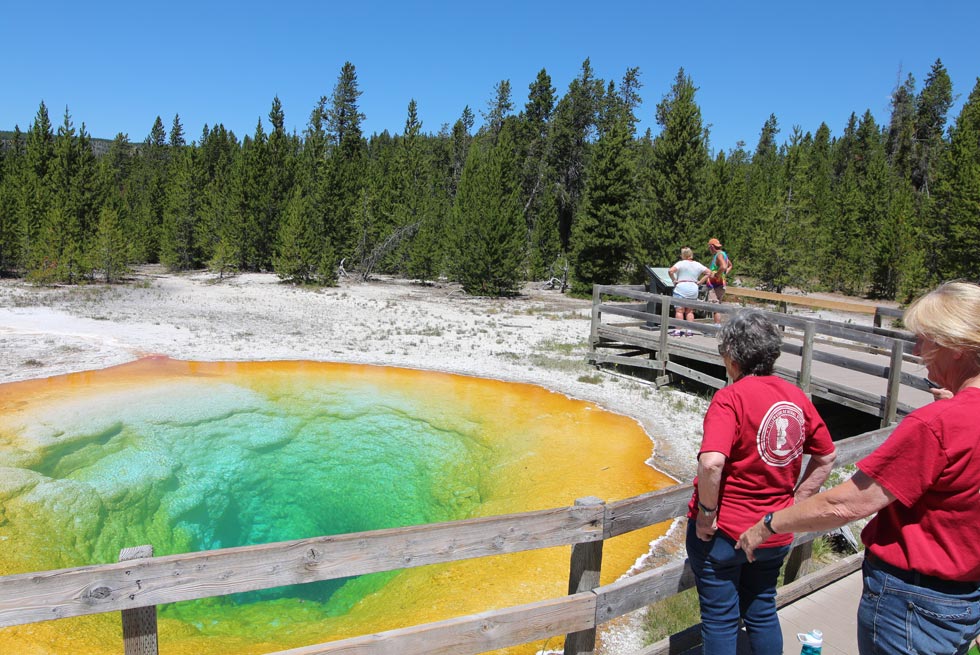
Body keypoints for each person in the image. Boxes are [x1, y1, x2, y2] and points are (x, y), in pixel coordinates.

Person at [738, 281, 980, 655]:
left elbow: (845, 505)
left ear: (958, 346)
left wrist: (768, 524)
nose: (917, 351)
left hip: (912, 600)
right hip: (965, 596)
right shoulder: (959, 418)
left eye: (926, 340)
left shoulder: (938, 424)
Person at [687, 309, 837, 654]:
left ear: (731, 355)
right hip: (774, 530)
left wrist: (707, 513)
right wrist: (797, 501)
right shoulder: (796, 396)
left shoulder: (731, 398)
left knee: (721, 620)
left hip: (725, 532)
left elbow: (711, 463)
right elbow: (826, 456)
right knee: (762, 609)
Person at [668, 247, 709, 336]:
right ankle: (689, 331)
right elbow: (708, 273)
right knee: (690, 311)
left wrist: (674, 280)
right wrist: (700, 282)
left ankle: (678, 331)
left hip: (681, 287)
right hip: (693, 288)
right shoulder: (697, 264)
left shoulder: (681, 263)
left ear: (683, 255)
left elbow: (671, 271)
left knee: (679, 311)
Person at [698, 238, 732, 325]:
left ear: (712, 247)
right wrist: (723, 274)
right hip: (721, 284)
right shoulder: (724, 254)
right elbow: (730, 266)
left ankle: (717, 326)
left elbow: (724, 266)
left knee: (714, 306)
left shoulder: (719, 255)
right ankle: (717, 325)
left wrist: (717, 275)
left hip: (715, 285)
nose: (709, 250)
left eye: (709, 247)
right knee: (717, 305)